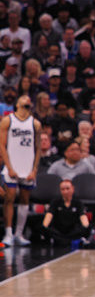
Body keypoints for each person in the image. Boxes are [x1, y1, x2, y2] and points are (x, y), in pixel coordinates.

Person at [0, 95, 42, 246]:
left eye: (28, 101)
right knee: (10, 197)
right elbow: (2, 145)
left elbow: (38, 149)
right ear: (17, 104)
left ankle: (19, 233)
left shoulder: (35, 124)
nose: (27, 101)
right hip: (12, 166)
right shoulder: (8, 121)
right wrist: (9, 167)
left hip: (27, 167)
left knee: (25, 199)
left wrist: (35, 169)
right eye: (24, 100)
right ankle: (8, 233)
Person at [40, 179, 90, 246]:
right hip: (58, 231)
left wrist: (86, 227)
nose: (65, 191)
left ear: (73, 189)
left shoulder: (78, 203)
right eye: (62, 189)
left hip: (73, 232)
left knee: (86, 229)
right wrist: (44, 227)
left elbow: (83, 217)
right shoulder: (55, 202)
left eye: (67, 189)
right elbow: (49, 215)